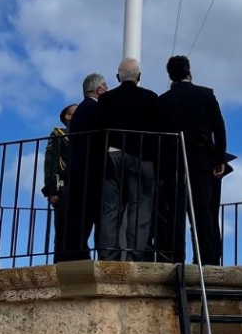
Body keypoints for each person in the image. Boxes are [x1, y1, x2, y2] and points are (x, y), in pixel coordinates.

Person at [157, 55, 227, 265]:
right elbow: (219, 129)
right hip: (201, 158)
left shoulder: (163, 100)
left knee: (175, 211)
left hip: (173, 160)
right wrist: (219, 159)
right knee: (202, 211)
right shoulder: (206, 95)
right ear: (189, 71)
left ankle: (175, 258)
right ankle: (207, 259)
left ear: (170, 75)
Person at [95, 58, 160, 261]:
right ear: (139, 77)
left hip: (112, 155)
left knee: (110, 208)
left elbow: (100, 129)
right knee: (139, 207)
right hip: (141, 156)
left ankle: (107, 255)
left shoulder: (106, 99)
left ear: (118, 77)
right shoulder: (151, 98)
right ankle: (135, 255)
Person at [56, 73, 107, 262]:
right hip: (90, 171)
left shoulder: (81, 111)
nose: (107, 91)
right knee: (89, 217)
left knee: (81, 218)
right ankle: (80, 255)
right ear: (99, 89)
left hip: (79, 171)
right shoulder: (93, 108)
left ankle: (76, 254)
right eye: (106, 87)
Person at [42, 103, 76, 255]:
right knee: (63, 230)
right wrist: (52, 190)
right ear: (68, 117)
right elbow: (51, 162)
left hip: (82, 185)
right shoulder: (59, 134)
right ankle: (60, 265)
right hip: (64, 187)